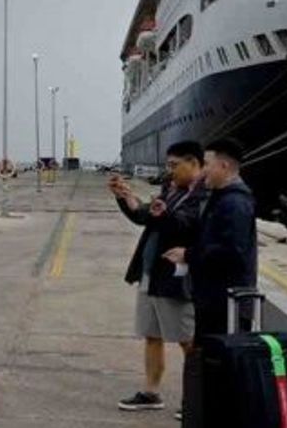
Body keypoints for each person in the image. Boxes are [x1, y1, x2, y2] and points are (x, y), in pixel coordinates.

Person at [110, 141, 206, 412]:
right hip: (152, 274)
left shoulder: (202, 196)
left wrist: (162, 213)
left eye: (174, 165)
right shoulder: (172, 190)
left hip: (175, 278)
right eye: (168, 166)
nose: (169, 171)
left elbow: (184, 225)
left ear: (194, 164)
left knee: (187, 339)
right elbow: (146, 216)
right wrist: (125, 197)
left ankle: (197, 399)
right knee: (152, 334)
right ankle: (151, 392)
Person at [164, 138, 258, 338]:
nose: (202, 169)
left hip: (227, 304)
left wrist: (188, 255)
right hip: (214, 300)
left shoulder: (235, 203)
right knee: (206, 362)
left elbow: (233, 252)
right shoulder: (221, 197)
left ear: (223, 166)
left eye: (206, 164)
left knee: (219, 364)